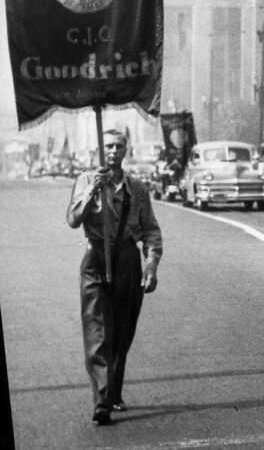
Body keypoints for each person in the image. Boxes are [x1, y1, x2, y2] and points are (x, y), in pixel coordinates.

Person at [66, 129, 163, 425]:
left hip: (126, 261)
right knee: (97, 331)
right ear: (100, 150)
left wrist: (150, 267)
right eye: (108, 146)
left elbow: (150, 232)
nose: (113, 151)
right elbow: (72, 219)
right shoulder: (84, 180)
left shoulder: (137, 188)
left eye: (119, 146)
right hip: (96, 259)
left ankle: (113, 392)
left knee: (122, 332)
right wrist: (91, 191)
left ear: (126, 151)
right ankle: (102, 400)